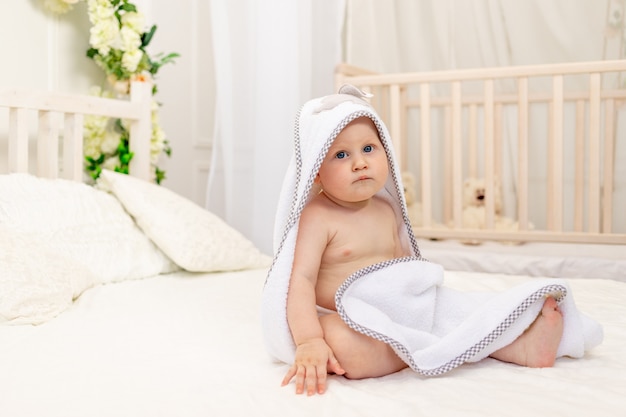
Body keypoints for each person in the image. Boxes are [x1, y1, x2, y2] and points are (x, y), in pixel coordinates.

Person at [280, 115, 564, 396]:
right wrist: (309, 340)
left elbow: (405, 268)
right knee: (342, 343)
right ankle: (439, 347)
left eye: (368, 149)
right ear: (315, 171)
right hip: (346, 315)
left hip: (397, 311)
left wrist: (423, 299)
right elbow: (300, 280)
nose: (360, 163)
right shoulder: (317, 216)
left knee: (463, 311)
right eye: (341, 154)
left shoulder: (385, 209)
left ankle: (515, 344)